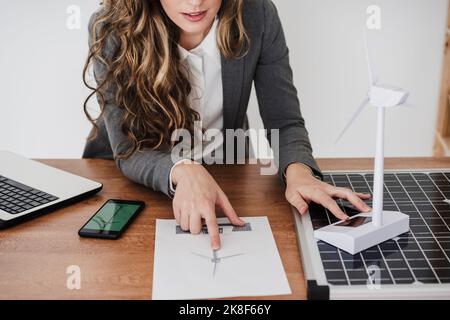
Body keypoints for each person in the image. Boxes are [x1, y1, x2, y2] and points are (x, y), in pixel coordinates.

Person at [83, 0, 372, 250]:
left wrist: (299, 171)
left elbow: (284, 122)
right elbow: (128, 149)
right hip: (133, 182)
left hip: (226, 171)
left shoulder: (257, 15)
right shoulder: (111, 27)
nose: (195, 3)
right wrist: (183, 170)